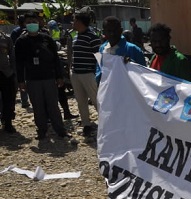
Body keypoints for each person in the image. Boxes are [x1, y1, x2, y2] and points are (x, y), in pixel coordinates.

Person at [14, 12, 70, 140]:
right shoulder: (21, 41)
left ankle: (60, 130)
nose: (31, 24)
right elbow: (19, 63)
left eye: (34, 21)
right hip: (32, 79)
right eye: (28, 22)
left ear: (38, 22)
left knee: (53, 105)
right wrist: (20, 81)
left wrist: (59, 76)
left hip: (49, 77)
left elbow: (55, 59)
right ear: (24, 24)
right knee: (37, 106)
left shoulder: (47, 39)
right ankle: (42, 130)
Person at [70, 7, 102, 137]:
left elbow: (99, 57)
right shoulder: (75, 36)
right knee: (81, 101)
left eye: (74, 20)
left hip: (88, 74)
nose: (72, 23)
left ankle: (106, 123)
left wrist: (99, 74)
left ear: (80, 22)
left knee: (96, 100)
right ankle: (86, 124)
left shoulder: (92, 37)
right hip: (76, 74)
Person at [97, 16, 147, 84]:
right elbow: (99, 69)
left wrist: (131, 66)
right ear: (104, 32)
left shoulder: (133, 50)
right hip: (108, 91)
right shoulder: (102, 49)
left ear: (121, 30)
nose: (112, 34)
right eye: (109, 31)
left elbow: (144, 75)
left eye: (115, 30)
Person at [10, 15, 30, 109]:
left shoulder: (15, 31)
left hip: (19, 59)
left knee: (21, 79)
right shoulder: (28, 31)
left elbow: (12, 46)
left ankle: (24, 100)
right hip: (28, 59)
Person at [0, 30, 17, 133]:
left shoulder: (5, 38)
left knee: (9, 99)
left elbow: (12, 57)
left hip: (6, 73)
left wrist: (14, 73)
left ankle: (8, 122)